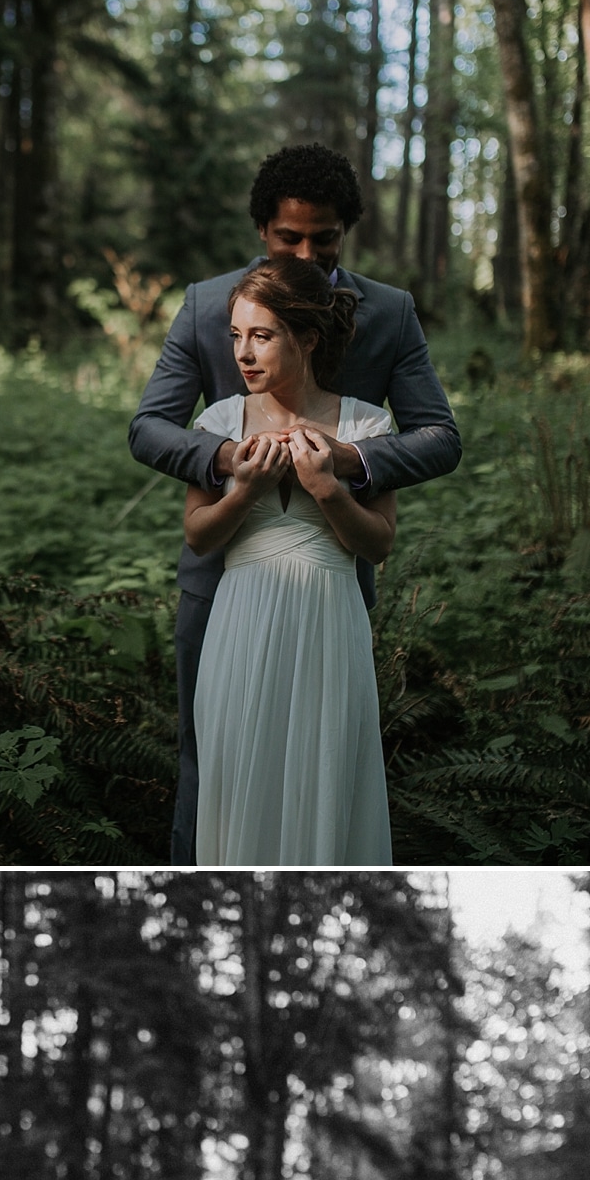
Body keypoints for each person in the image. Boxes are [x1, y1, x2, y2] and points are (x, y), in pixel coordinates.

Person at [128, 141, 461, 863]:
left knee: (323, 755)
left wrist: (351, 458)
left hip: (328, 580)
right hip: (220, 584)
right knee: (210, 757)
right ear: (262, 230)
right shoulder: (207, 305)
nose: (307, 252)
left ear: (346, 232)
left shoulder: (391, 313)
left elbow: (440, 437)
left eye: (325, 238)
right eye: (289, 238)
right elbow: (147, 426)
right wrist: (221, 459)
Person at [184, 255, 395, 863]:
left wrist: (329, 488)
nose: (243, 354)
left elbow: (379, 543)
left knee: (323, 775)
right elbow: (199, 535)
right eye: (236, 337)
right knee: (239, 773)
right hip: (240, 620)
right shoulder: (218, 422)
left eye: (261, 336)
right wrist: (245, 490)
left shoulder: (367, 424)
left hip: (329, 620)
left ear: (306, 338)